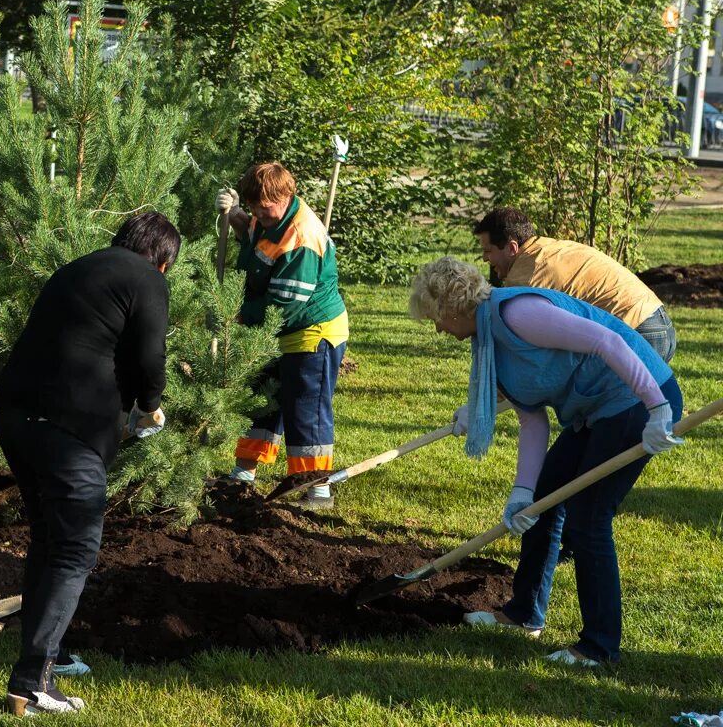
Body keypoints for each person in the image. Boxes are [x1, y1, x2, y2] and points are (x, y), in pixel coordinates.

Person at [409, 256, 682, 667]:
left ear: (452, 307)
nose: (437, 328)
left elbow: (607, 342)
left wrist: (658, 407)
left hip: (635, 398)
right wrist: (522, 493)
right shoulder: (490, 347)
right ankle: (523, 615)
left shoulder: (519, 313)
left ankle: (599, 646)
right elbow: (532, 420)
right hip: (593, 411)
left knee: (588, 520)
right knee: (541, 502)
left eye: (436, 318)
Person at [0, 212, 178, 716]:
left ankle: (48, 656)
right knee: (74, 550)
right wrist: (149, 407)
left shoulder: (78, 267)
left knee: (49, 540)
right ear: (162, 261)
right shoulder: (147, 280)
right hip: (69, 428)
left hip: (14, 415)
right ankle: (32, 683)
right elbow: (149, 358)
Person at [216, 162, 348, 509]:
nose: (261, 214)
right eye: (254, 207)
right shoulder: (270, 215)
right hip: (276, 334)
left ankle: (317, 489)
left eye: (266, 208)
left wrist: (236, 315)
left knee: (306, 410)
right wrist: (235, 218)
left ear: (286, 195)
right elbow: (259, 241)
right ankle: (243, 473)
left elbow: (283, 306)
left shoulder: (301, 238)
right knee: (261, 400)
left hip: (311, 334)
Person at [473, 207, 674, 361]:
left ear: (511, 247)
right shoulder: (548, 248)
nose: (484, 258)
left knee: (607, 410)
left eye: (488, 251)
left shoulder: (529, 271)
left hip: (637, 330)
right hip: (657, 322)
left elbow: (511, 339)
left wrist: (495, 391)